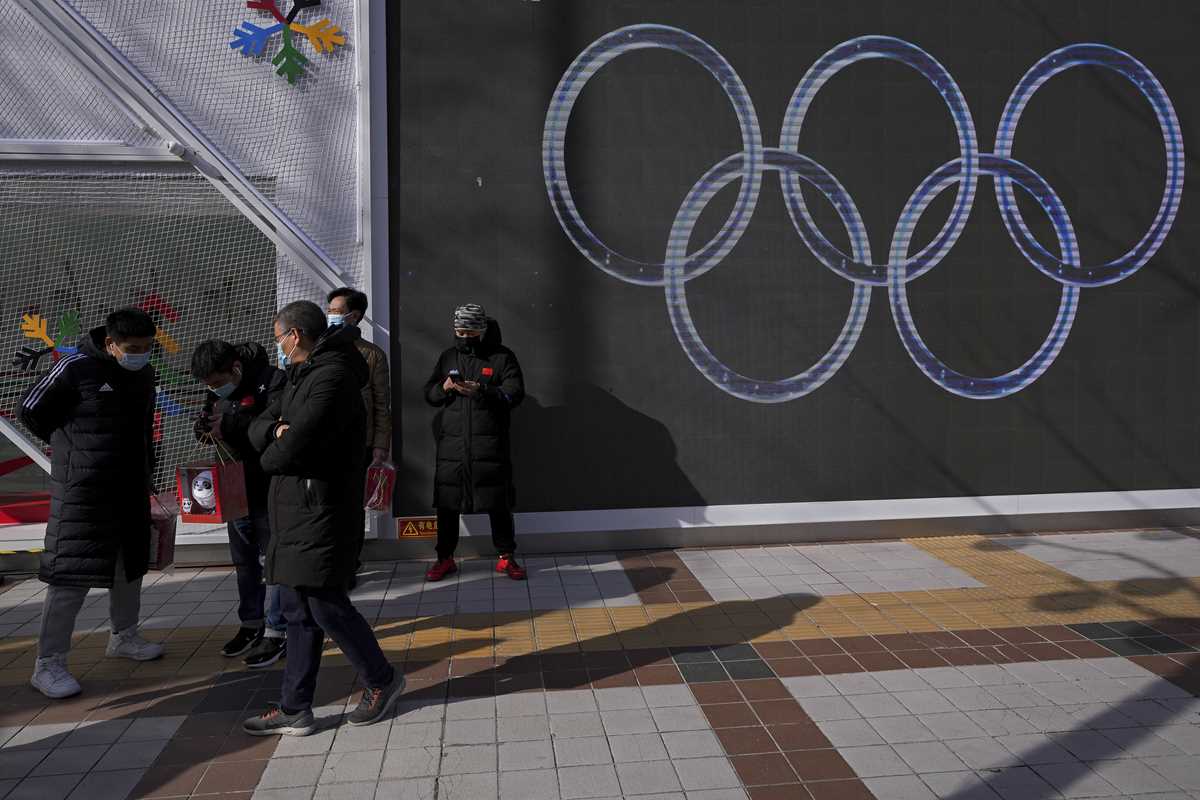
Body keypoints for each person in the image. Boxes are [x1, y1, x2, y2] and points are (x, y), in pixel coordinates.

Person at [242, 300, 403, 736]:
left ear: (295, 335)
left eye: (279, 339)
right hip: (295, 507)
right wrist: (275, 431)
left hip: (322, 508)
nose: (278, 348)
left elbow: (293, 447)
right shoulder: (299, 374)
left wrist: (274, 445)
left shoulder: (332, 377)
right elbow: (259, 424)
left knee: (325, 604)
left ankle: (381, 679)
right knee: (297, 609)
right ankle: (295, 707)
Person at [18, 307, 165, 699]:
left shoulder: (144, 374)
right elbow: (29, 410)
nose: (141, 355)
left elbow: (144, 428)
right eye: (133, 348)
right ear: (110, 343)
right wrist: (74, 450)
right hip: (82, 492)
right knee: (71, 576)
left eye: (147, 347)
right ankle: (48, 665)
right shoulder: (75, 368)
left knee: (129, 566)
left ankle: (124, 636)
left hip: (129, 488)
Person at [190, 339, 287, 667]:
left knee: (275, 562)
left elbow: (277, 426)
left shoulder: (272, 380)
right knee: (244, 561)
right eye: (208, 386)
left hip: (269, 485)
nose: (214, 389)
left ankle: (278, 629)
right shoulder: (216, 389)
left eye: (218, 383)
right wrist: (204, 428)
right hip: (235, 487)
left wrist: (231, 424)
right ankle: (251, 623)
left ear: (235, 368)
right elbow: (211, 421)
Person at [423, 303, 527, 582]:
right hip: (452, 448)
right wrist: (444, 388)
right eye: (459, 331)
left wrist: (483, 390)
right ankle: (444, 559)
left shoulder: (502, 357)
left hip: (490, 446)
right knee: (447, 505)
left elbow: (515, 393)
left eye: (470, 332)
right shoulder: (448, 356)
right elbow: (429, 394)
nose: (464, 337)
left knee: (498, 502)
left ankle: (506, 557)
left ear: (481, 330)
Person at [326, 287, 391, 466]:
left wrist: (381, 445)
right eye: (329, 311)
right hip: (325, 442)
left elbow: (381, 404)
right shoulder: (319, 349)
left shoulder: (373, 355)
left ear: (354, 316)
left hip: (360, 443)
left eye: (337, 312)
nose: (331, 316)